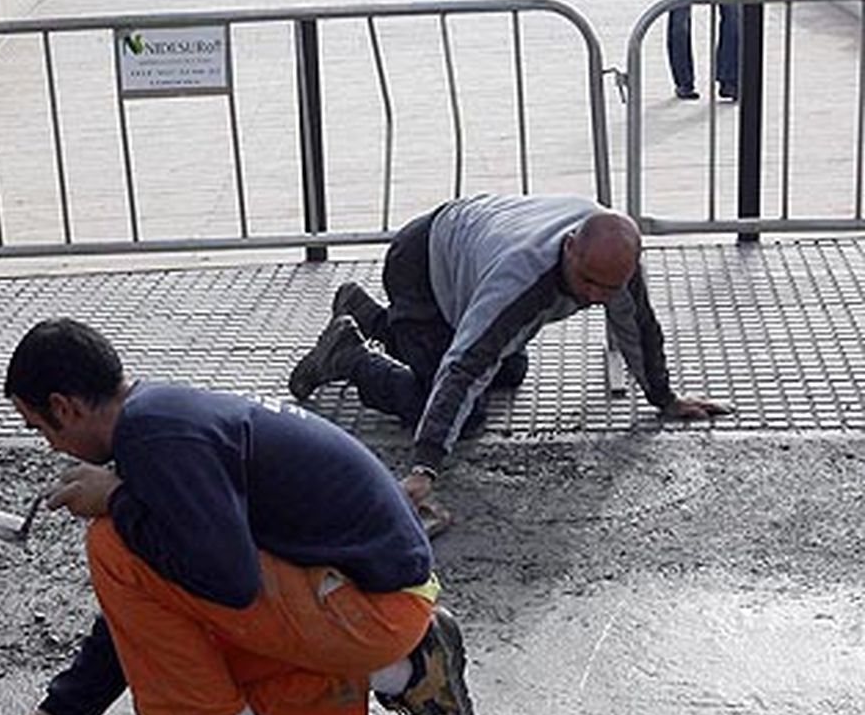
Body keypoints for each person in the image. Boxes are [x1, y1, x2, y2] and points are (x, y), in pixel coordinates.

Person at [0, 318, 473, 715]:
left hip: (371, 611)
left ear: (63, 407)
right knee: (177, 671)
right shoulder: (159, 417)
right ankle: (411, 670)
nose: (49, 445)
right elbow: (141, 617)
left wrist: (116, 501)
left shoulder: (155, 440)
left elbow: (228, 580)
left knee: (112, 544)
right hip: (379, 603)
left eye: (38, 428)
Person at [287, 194, 732, 510]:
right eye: (589, 282)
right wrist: (426, 466)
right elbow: (464, 368)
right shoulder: (522, 280)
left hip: (469, 257)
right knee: (465, 412)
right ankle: (347, 356)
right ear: (571, 247)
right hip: (420, 263)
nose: (597, 297)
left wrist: (665, 399)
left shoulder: (613, 259)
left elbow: (637, 327)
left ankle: (361, 312)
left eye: (609, 288)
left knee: (510, 368)